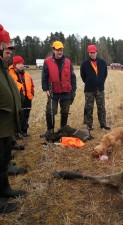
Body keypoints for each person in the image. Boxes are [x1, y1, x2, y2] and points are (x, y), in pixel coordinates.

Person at [0, 24, 26, 213]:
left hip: (5, 125)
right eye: (5, 44)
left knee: (3, 159)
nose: (8, 49)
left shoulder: (2, 66)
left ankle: (4, 189)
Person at [41, 41, 76, 134]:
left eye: (61, 50)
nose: (59, 52)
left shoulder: (68, 62)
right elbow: (44, 76)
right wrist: (46, 88)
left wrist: (73, 91)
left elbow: (73, 77)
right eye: (57, 50)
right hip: (53, 91)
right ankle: (50, 130)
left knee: (65, 111)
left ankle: (63, 129)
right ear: (53, 50)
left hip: (66, 91)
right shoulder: (47, 61)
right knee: (50, 111)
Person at [80, 44, 110, 131]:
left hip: (100, 89)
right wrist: (90, 82)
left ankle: (103, 124)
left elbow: (105, 74)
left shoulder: (102, 62)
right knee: (89, 107)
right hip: (89, 90)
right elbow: (83, 77)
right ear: (88, 53)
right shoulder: (84, 64)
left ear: (96, 52)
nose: (92, 54)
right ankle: (89, 125)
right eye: (90, 53)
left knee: (101, 107)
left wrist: (100, 82)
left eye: (93, 52)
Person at [9, 56, 34, 137]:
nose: (21, 65)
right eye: (19, 63)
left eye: (22, 63)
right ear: (15, 65)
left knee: (26, 116)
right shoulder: (11, 75)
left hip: (28, 99)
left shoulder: (27, 75)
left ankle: (24, 131)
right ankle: (17, 133)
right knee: (20, 116)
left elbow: (32, 86)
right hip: (19, 99)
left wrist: (32, 94)